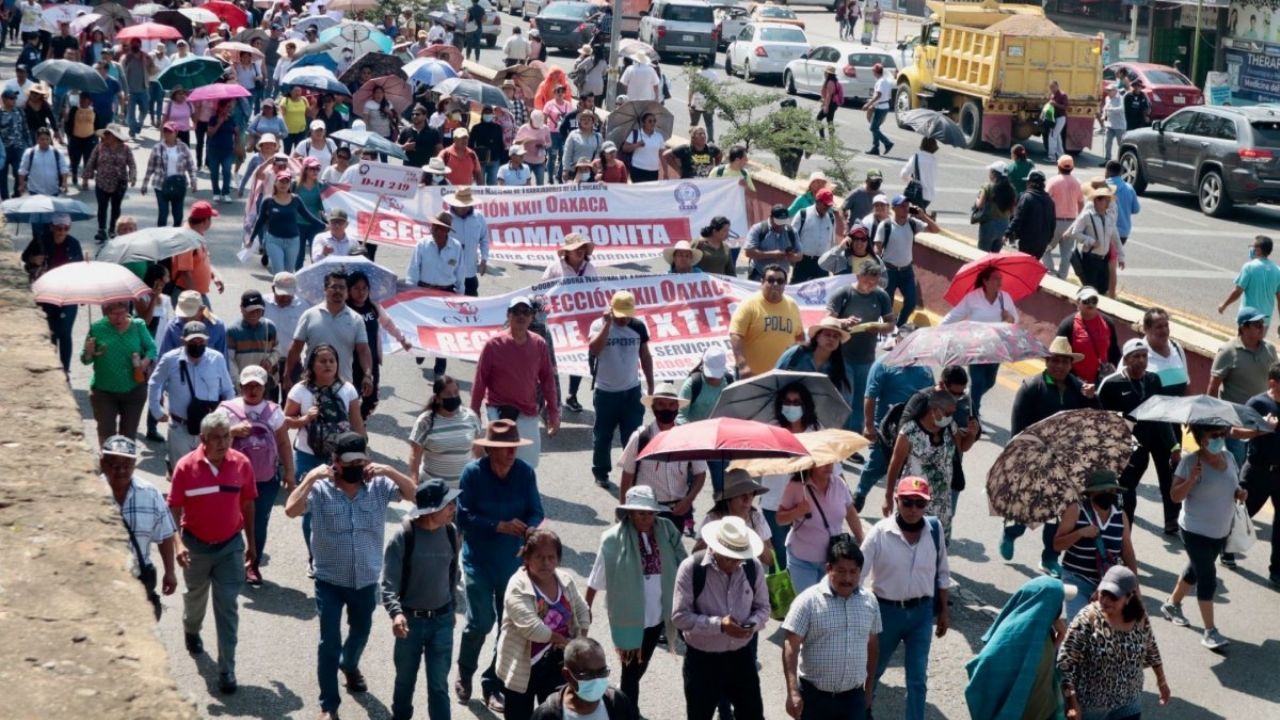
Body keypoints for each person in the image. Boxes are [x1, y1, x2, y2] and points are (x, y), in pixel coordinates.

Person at [455, 419, 546, 713]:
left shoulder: (524, 473)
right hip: (478, 562)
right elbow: (463, 516)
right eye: (505, 448)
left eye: (514, 447)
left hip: (512, 564)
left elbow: (536, 511)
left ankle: (491, 683)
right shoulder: (473, 473)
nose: (511, 453)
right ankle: (465, 670)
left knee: (509, 628)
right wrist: (499, 526)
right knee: (480, 623)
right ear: (491, 450)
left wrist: (530, 531)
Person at [168, 410, 257, 694]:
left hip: (230, 546)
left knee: (227, 607)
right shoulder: (185, 467)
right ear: (203, 439)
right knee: (195, 598)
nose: (223, 442)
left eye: (227, 436)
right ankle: (191, 629)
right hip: (195, 546)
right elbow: (173, 508)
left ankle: (227, 669)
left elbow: (248, 505)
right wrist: (178, 544)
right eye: (216, 438)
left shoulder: (241, 464)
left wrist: (252, 543)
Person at [1000, 336, 1098, 576]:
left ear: (1070, 364)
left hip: (1066, 463)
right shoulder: (1031, 388)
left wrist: (1092, 398)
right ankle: (1012, 532)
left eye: (1064, 362)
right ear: (1047, 361)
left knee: (1060, 513)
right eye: (1055, 361)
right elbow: (1018, 429)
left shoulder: (1079, 388)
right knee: (1029, 508)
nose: (1059, 366)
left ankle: (1049, 557)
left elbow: (1095, 418)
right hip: (1034, 459)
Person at [586, 486, 688, 709]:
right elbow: (596, 576)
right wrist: (587, 607)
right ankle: (628, 710)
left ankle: (619, 699)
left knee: (642, 663)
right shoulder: (613, 540)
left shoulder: (667, 529)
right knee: (631, 671)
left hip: (657, 615)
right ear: (630, 513)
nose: (647, 518)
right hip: (628, 618)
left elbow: (683, 560)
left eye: (651, 513)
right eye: (641, 513)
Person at [861, 477, 950, 720]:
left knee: (917, 679)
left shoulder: (935, 529)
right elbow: (858, 575)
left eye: (919, 504)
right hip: (885, 613)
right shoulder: (880, 533)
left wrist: (944, 610)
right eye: (907, 502)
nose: (913, 510)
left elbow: (943, 571)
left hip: (921, 614)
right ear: (896, 501)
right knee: (873, 671)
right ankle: (863, 712)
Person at [1160, 423, 1248, 650]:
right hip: (1194, 530)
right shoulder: (1190, 462)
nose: (1220, 438)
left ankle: (1172, 604)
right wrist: (1191, 480)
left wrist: (1240, 493)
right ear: (1201, 438)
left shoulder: (1228, 456)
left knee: (1195, 569)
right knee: (1207, 576)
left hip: (1220, 530)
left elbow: (1234, 486)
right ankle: (1210, 631)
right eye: (1214, 435)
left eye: (1222, 434)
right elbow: (1175, 496)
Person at [672, 516, 769, 720]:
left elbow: (763, 609)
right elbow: (680, 617)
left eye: (738, 558)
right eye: (728, 558)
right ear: (714, 548)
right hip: (702, 660)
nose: (734, 564)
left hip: (741, 657)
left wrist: (752, 624)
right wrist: (719, 625)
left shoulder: (753, 567)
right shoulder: (691, 568)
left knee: (753, 715)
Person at [383, 478, 463, 720]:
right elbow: (388, 584)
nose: (453, 508)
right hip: (411, 623)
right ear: (431, 511)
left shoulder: (451, 533)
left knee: (439, 686)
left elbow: (452, 575)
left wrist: (451, 610)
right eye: (448, 504)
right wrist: (396, 614)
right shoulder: (404, 536)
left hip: (441, 621)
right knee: (405, 682)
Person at [284, 342, 366, 569]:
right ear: (312, 364)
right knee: (309, 509)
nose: (328, 365)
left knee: (339, 506)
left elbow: (357, 422)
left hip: (341, 458)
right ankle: (314, 557)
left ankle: (333, 553)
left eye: (332, 360)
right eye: (323, 361)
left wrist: (363, 453)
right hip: (308, 456)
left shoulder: (347, 389)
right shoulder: (300, 391)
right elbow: (284, 421)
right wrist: (304, 420)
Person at [782, 534, 879, 720]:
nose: (847, 578)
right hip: (815, 699)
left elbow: (873, 646)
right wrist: (792, 691)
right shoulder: (807, 601)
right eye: (841, 571)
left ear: (860, 572)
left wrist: (868, 689)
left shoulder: (870, 602)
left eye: (853, 572)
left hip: (854, 699)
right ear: (828, 568)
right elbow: (790, 646)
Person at [497, 529, 592, 720]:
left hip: (557, 663)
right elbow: (531, 627)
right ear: (527, 557)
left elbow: (582, 611)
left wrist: (580, 639)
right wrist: (564, 641)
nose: (546, 563)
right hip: (522, 666)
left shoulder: (565, 580)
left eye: (551, 557)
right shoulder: (517, 586)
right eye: (539, 557)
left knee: (555, 715)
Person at [1060, 566, 1170, 718]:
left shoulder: (1140, 618)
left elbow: (1151, 649)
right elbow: (1065, 663)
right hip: (1092, 707)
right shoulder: (1087, 618)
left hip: (1129, 702)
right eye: (1103, 593)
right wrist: (1072, 703)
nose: (1105, 600)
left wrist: (1162, 681)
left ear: (1129, 597)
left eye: (1113, 597)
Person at [218, 365, 293, 587]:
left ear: (265, 388)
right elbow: (209, 439)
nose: (252, 390)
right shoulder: (225, 410)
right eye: (248, 386)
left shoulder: (273, 411)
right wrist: (231, 432)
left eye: (257, 386)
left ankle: (252, 564)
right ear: (240, 387)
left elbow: (283, 443)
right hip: (231, 478)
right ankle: (230, 564)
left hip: (265, 480)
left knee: (258, 523)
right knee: (230, 521)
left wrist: (289, 472)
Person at [963, 577, 1068, 720]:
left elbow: (1043, 662)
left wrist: (1059, 637)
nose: (1061, 609)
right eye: (1059, 603)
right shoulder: (1012, 634)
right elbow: (985, 665)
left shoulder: (1043, 631)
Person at [1098, 338, 1178, 523]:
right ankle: (1122, 535)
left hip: (1148, 447)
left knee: (1160, 483)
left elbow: (1162, 415)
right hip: (1124, 451)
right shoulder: (1112, 384)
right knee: (1128, 497)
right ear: (1126, 359)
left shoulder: (1153, 379)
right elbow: (1101, 421)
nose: (1141, 360)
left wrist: (1173, 446)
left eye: (1144, 356)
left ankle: (1169, 521)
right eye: (1136, 357)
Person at [100, 435, 178, 620]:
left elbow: (165, 534)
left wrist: (170, 572)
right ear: (102, 463)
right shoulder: (90, 494)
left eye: (126, 465)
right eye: (114, 465)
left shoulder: (150, 494)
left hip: (138, 580)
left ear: (134, 464)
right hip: (102, 580)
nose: (121, 471)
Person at [148, 321, 236, 472]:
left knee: (210, 471)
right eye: (193, 341)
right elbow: (154, 383)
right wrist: (157, 410)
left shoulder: (217, 359)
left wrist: (226, 416)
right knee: (183, 472)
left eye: (200, 341)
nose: (197, 344)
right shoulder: (170, 359)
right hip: (180, 427)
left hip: (210, 429)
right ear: (183, 341)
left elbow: (228, 390)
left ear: (207, 340)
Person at [587, 291, 654, 488]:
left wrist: (650, 385)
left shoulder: (638, 327)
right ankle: (601, 472)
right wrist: (608, 324)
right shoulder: (599, 325)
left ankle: (633, 474)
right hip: (606, 393)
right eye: (620, 315)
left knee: (633, 438)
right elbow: (594, 349)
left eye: (627, 315)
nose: (624, 319)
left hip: (631, 392)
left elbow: (645, 356)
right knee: (603, 436)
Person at [852, 354, 935, 511]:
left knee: (910, 472)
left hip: (914, 429)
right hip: (886, 428)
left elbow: (932, 397)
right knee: (877, 464)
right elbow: (870, 395)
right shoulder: (883, 364)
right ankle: (860, 493)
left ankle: (905, 510)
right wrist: (869, 425)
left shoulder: (925, 369)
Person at [618, 382, 707, 528]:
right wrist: (624, 512)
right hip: (645, 510)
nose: (667, 409)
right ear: (653, 407)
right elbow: (627, 476)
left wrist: (689, 500)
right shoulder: (640, 437)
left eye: (672, 405)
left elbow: (700, 474)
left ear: (677, 408)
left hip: (676, 512)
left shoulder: (688, 438)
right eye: (661, 404)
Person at [1052, 469, 1137, 621]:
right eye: (1103, 490)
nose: (1108, 494)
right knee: (1079, 626)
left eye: (1112, 490)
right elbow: (1057, 545)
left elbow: (1127, 552)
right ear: (1092, 493)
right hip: (1076, 580)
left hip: (1108, 586)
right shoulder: (1076, 510)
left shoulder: (1120, 516)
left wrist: (1134, 586)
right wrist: (1079, 533)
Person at [284, 270, 374, 402]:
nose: (338, 291)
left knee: (344, 423)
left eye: (342, 287)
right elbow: (296, 347)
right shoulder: (309, 315)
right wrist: (288, 374)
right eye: (333, 287)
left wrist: (367, 375)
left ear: (347, 291)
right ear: (325, 289)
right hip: (311, 386)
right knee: (309, 421)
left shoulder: (356, 319)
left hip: (342, 386)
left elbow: (363, 350)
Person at [777, 457, 863, 593]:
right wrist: (797, 511)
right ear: (811, 464)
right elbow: (780, 519)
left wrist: (862, 540)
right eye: (823, 462)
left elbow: (850, 513)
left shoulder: (839, 484)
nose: (828, 466)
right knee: (808, 605)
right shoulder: (796, 486)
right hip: (802, 561)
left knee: (829, 605)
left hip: (833, 560)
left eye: (831, 461)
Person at [942, 266, 1019, 417]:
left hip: (996, 347)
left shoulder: (1005, 298)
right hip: (975, 346)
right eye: (995, 278)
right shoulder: (973, 298)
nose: (999, 282)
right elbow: (954, 315)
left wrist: (1009, 317)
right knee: (977, 382)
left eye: (1000, 278)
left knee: (989, 382)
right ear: (985, 281)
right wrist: (938, 331)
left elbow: (1015, 320)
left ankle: (967, 401)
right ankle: (973, 417)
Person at [1209, 306, 1278, 470]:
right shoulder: (1228, 351)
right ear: (1243, 327)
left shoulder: (1269, 349)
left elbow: (1276, 377)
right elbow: (1213, 386)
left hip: (1264, 417)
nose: (1262, 327)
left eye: (1262, 323)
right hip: (1236, 420)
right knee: (1238, 464)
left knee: (1259, 462)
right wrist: (1211, 420)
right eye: (1257, 324)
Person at [82, 301, 157, 445]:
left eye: (122, 313)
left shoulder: (138, 325)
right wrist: (89, 353)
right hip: (104, 391)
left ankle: (124, 467)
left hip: (134, 390)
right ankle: (108, 465)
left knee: (128, 437)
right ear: (105, 313)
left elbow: (152, 348)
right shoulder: (96, 328)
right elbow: (85, 360)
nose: (119, 318)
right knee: (106, 437)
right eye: (114, 314)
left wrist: (144, 363)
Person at [346, 270, 412, 419]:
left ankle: (360, 421)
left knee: (372, 398)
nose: (361, 292)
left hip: (372, 361)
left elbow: (388, 323)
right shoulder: (344, 310)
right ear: (349, 290)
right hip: (351, 362)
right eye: (356, 288)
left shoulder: (373, 308)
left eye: (364, 288)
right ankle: (352, 427)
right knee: (351, 396)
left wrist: (402, 340)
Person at [531, 637, 638, 720]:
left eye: (602, 672)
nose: (596, 680)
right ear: (567, 675)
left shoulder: (618, 702)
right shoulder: (547, 715)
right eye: (587, 675)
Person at [874, 195, 939, 328]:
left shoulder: (913, 223)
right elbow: (877, 248)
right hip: (889, 271)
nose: (905, 208)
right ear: (894, 209)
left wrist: (923, 215)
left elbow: (935, 230)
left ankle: (898, 326)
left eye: (907, 205)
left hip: (906, 272)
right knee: (887, 304)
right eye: (902, 206)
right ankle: (885, 331)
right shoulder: (885, 225)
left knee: (911, 302)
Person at [729, 265, 804, 378]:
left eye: (780, 281)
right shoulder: (749, 304)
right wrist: (743, 365)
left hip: (783, 375)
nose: (775, 284)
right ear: (762, 282)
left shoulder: (792, 305)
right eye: (770, 280)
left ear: (785, 285)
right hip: (752, 375)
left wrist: (799, 364)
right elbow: (736, 335)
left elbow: (800, 336)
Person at [408, 374, 483, 486]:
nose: (453, 396)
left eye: (456, 392)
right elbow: (415, 456)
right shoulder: (425, 422)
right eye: (448, 394)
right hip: (433, 488)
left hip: (465, 487)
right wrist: (414, 482)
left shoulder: (471, 417)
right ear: (437, 398)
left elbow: (478, 451)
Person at [248, 169, 324, 275]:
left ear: (290, 184)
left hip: (293, 241)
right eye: (281, 181)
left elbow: (308, 216)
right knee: (279, 273)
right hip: (274, 241)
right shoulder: (268, 201)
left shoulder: (296, 200)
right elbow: (260, 221)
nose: (283, 184)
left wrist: (324, 226)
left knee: (288, 274)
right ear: (275, 183)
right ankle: (277, 290)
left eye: (286, 182)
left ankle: (286, 292)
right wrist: (251, 239)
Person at [1065, 183, 1122, 295]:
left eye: (1108, 200)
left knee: (1102, 289)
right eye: (1105, 200)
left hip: (1103, 259)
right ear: (1097, 201)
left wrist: (1122, 256)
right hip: (1090, 259)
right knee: (1091, 290)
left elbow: (1115, 237)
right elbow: (1075, 233)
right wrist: (1090, 241)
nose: (1108, 203)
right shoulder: (1087, 216)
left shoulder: (1109, 218)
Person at [1056, 286, 1120, 384]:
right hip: (1075, 382)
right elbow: (1059, 355)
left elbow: (1114, 351)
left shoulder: (1107, 323)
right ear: (1078, 302)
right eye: (1086, 300)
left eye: (1094, 300)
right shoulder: (1067, 325)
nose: (1090, 304)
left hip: (1102, 380)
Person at [141, 122, 198, 228]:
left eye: (170, 131)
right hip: (161, 184)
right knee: (163, 214)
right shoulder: (157, 148)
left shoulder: (183, 147)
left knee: (178, 215)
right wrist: (145, 183)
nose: (167, 133)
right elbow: (150, 167)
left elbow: (191, 165)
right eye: (165, 131)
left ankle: (176, 236)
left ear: (176, 133)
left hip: (178, 184)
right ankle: (161, 237)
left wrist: (193, 181)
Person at [1219, 235, 1280, 327]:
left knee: (1243, 341)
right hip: (1265, 320)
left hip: (1248, 318)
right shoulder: (1277, 270)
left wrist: (1224, 305)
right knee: (1258, 341)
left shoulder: (1249, 267)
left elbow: (1238, 291)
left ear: (1258, 250)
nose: (1251, 249)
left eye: (1253, 247)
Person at [226, 290, 279, 391]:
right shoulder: (232, 331)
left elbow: (276, 350)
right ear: (242, 309)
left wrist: (269, 361)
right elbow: (230, 360)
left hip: (265, 384)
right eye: (250, 311)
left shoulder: (270, 327)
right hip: (244, 384)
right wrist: (238, 383)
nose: (254, 314)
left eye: (258, 310)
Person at [1043, 155, 1085, 280]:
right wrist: (1079, 220)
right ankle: (1062, 277)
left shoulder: (1053, 181)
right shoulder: (1078, 183)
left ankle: (1050, 272)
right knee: (1066, 254)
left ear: (1059, 166)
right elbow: (1081, 203)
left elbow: (1046, 200)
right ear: (1072, 168)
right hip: (1071, 222)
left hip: (1054, 222)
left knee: (1045, 248)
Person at [442, 188, 488, 297]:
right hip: (448, 272)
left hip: (469, 271)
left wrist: (484, 259)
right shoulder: (445, 217)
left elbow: (484, 239)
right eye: (460, 205)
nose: (463, 208)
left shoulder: (479, 217)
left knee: (471, 305)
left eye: (465, 205)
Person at [1006, 169, 1056, 261]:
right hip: (1042, 243)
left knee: (1023, 265)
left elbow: (1018, 218)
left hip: (1027, 241)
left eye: (1028, 182)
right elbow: (1053, 223)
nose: (1026, 184)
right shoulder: (1050, 201)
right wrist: (1048, 240)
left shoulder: (1027, 197)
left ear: (1031, 183)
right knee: (1032, 267)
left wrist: (1007, 233)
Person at [790, 188, 837, 283]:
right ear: (818, 201)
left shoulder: (831, 218)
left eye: (829, 205)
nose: (827, 207)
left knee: (820, 293)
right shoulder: (803, 214)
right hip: (803, 261)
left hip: (822, 264)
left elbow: (832, 241)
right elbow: (792, 237)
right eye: (825, 204)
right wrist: (792, 257)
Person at [744, 206, 802, 280]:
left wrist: (792, 256)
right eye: (778, 222)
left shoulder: (792, 232)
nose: (781, 225)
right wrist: (772, 254)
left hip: (781, 277)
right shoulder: (758, 229)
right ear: (771, 218)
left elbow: (800, 255)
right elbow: (748, 252)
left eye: (783, 222)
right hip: (759, 274)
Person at [973, 162, 1017, 252]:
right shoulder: (1011, 189)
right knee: (995, 255)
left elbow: (980, 204)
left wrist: (976, 200)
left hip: (989, 224)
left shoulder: (988, 187)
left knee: (982, 253)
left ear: (994, 173)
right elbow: (1013, 211)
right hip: (1004, 225)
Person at [205, 100, 238, 203]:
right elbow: (210, 134)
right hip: (214, 150)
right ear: (220, 107)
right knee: (214, 172)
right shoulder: (213, 119)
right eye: (227, 107)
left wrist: (237, 136)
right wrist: (219, 123)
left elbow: (236, 133)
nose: (229, 109)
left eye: (230, 107)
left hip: (227, 150)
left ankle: (226, 192)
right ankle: (216, 192)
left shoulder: (232, 119)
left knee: (227, 171)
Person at [1100, 83, 1127, 164]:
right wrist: (1103, 115)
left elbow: (1121, 109)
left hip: (1119, 126)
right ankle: (1107, 160)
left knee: (1121, 144)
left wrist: (1111, 109)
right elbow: (1105, 108)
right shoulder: (1107, 98)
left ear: (1115, 91)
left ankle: (1122, 161)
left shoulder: (1121, 98)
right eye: (1107, 90)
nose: (1108, 92)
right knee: (1107, 143)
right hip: (1110, 125)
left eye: (1109, 90)